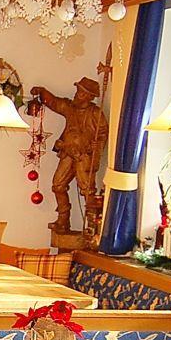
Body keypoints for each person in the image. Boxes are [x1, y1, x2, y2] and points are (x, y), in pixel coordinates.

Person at [30, 77, 108, 238]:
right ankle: (63, 220)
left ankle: (92, 226)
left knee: (87, 190)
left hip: (84, 156)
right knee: (58, 185)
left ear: (90, 97)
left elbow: (102, 134)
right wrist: (42, 92)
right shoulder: (70, 108)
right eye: (78, 91)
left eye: (82, 93)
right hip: (67, 153)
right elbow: (55, 102)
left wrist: (96, 148)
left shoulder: (95, 113)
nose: (77, 94)